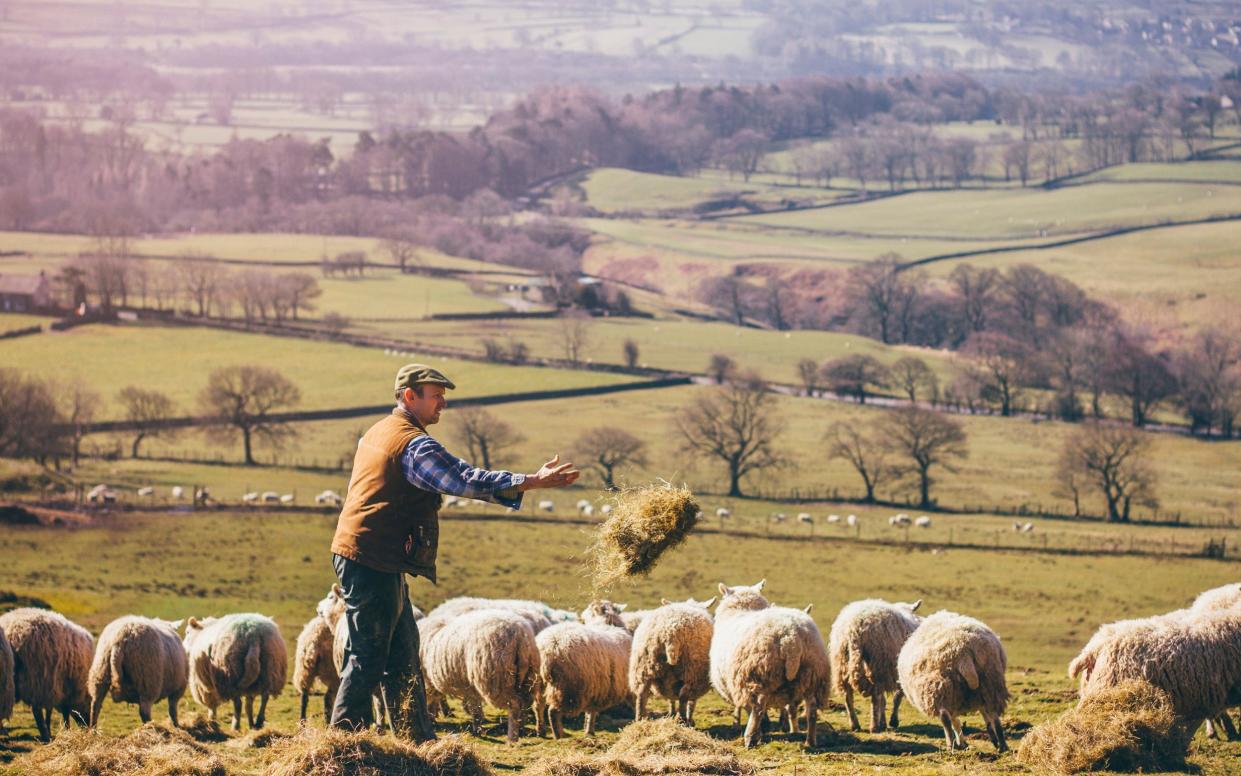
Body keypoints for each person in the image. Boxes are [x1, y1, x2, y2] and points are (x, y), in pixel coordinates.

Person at [328, 363, 579, 738]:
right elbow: (463, 479)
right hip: (371, 558)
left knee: (403, 654)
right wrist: (530, 481)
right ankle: (343, 744)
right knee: (368, 655)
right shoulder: (414, 444)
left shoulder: (380, 430)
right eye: (436, 395)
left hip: (372, 556)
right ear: (409, 396)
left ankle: (416, 741)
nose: (443, 402)